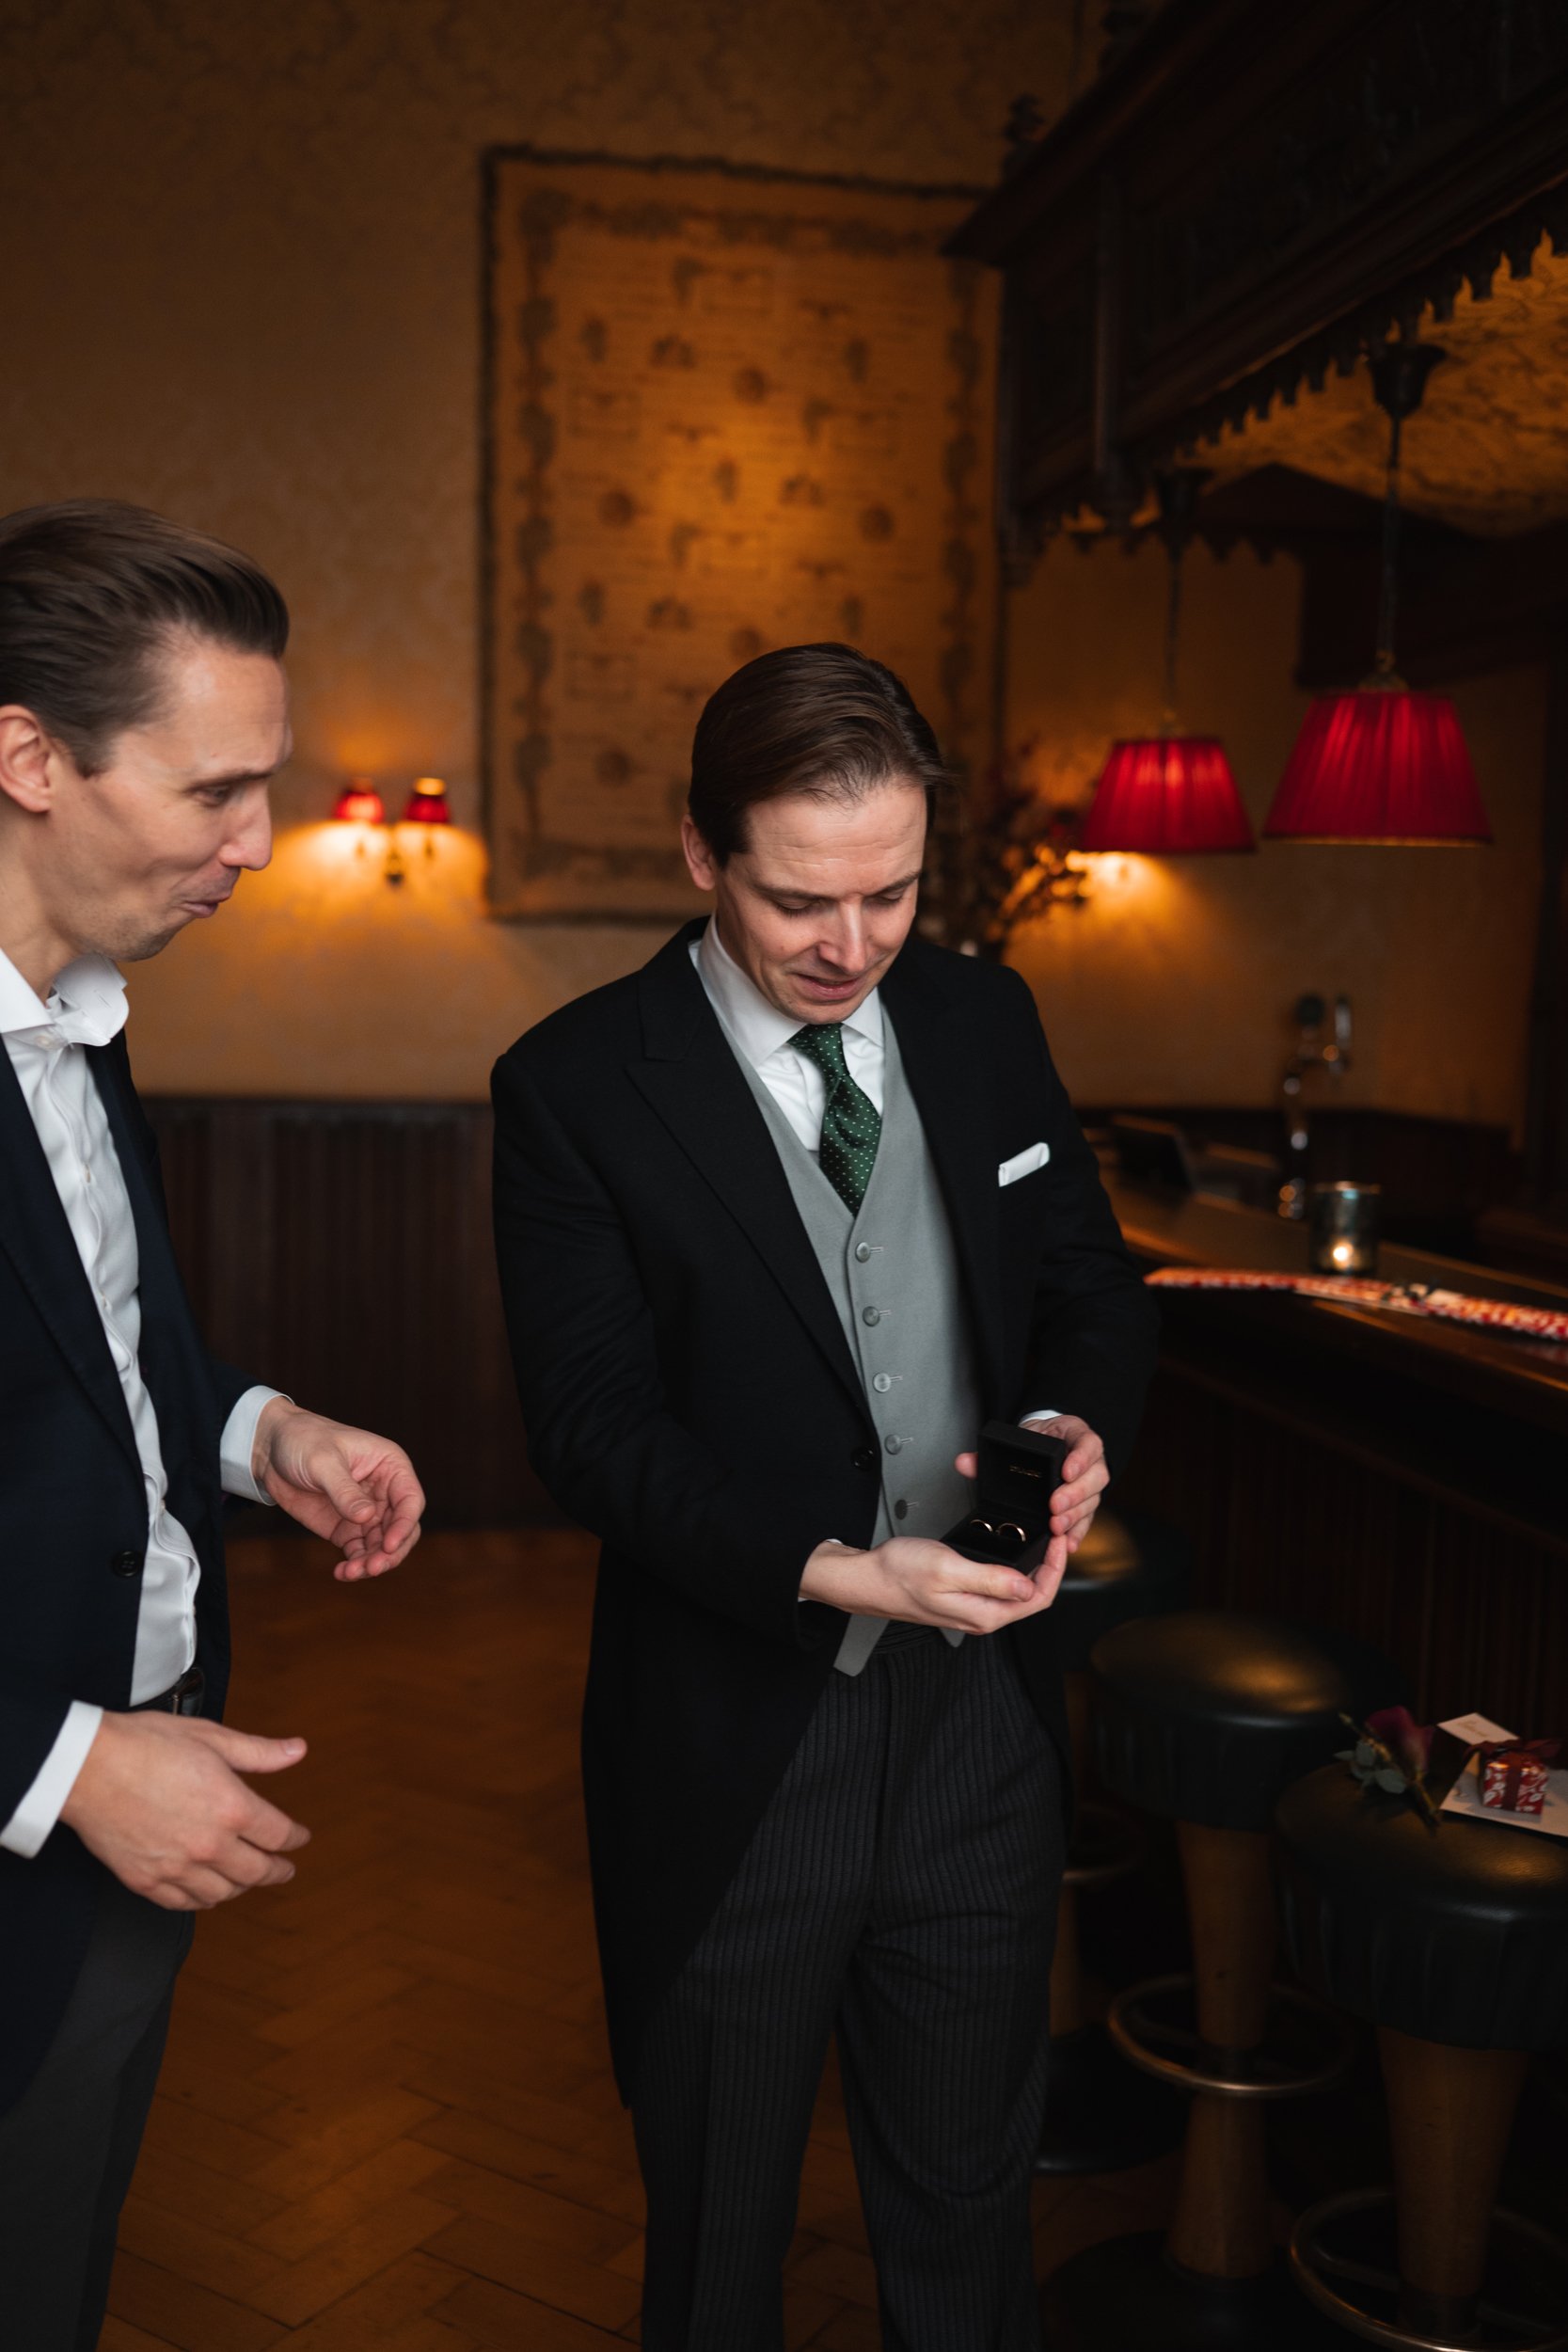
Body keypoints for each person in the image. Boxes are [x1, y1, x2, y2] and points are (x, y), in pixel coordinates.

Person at [492, 642, 1158, 2349]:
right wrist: (834, 1574)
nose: (851, 948)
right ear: (703, 853)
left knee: (966, 2223)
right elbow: (591, 1429)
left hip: (981, 1731)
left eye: (891, 893)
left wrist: (1077, 1422)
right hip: (735, 1741)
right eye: (800, 901)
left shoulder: (979, 1012)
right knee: (719, 2248)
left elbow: (1086, 1275)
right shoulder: (573, 1087)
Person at [0, 499, 425, 2350]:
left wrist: (260, 1430)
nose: (258, 844)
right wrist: (67, 1764)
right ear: (25, 756)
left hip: (135, 1800)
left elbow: (91, 1341)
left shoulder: (83, 1007)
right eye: (215, 790)